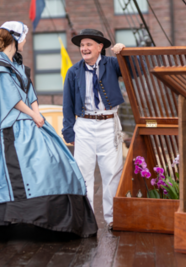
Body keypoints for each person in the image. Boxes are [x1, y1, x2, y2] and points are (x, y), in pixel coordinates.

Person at [0, 21, 97, 237]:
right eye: (23, 37)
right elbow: (9, 97)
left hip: (27, 121)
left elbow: (29, 92)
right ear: (15, 39)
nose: (25, 41)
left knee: (51, 162)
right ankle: (19, 217)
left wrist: (37, 114)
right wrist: (34, 114)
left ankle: (46, 217)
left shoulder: (16, 65)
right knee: (34, 164)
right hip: (10, 123)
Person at [62, 29, 127, 229]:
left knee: (112, 172)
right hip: (84, 125)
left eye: (89, 44)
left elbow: (136, 70)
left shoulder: (112, 64)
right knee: (83, 173)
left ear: (100, 47)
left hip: (108, 124)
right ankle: (86, 221)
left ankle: (113, 219)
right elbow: (67, 104)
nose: (84, 48)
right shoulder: (73, 72)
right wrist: (69, 130)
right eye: (82, 45)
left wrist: (123, 53)